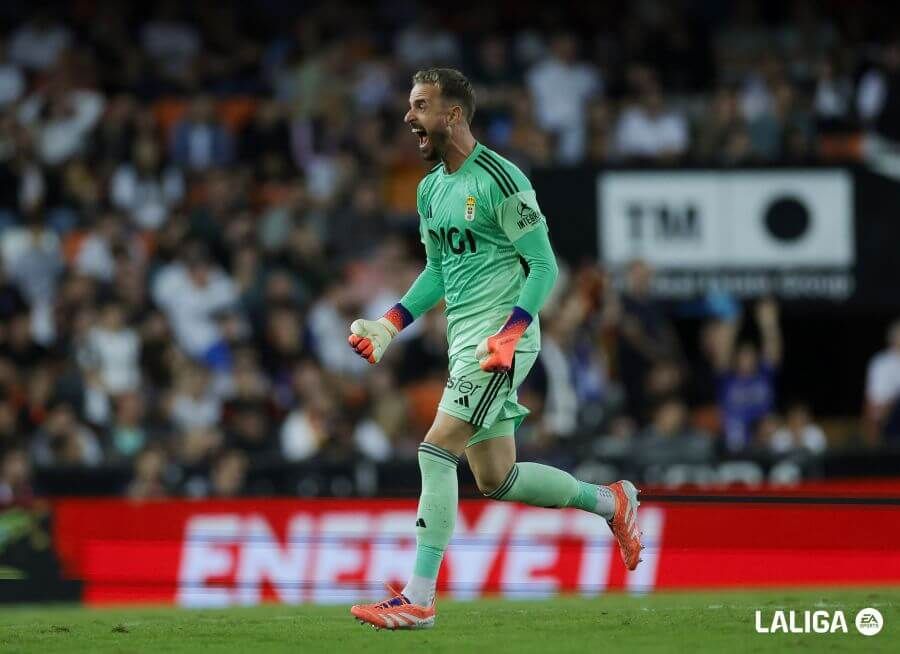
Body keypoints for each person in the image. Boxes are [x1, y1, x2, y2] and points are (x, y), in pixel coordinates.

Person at [347, 68, 642, 631]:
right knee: (495, 478)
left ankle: (418, 597)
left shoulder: (501, 181)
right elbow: (437, 271)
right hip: (464, 343)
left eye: (420, 105)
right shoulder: (430, 188)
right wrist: (391, 322)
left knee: (435, 451)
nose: (409, 117)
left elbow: (545, 265)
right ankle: (612, 502)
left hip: (497, 341)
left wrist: (510, 331)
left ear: (452, 114)